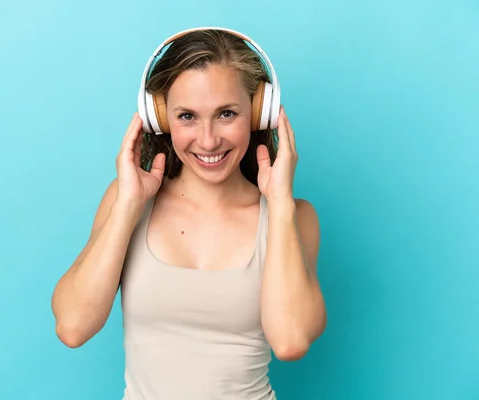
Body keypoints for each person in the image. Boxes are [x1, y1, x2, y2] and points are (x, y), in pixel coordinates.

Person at [51, 27, 327, 400]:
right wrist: (129, 205)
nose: (208, 140)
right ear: (160, 118)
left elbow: (291, 341)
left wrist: (278, 205)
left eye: (226, 113)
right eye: (187, 117)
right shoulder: (127, 201)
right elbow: (73, 327)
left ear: (259, 112)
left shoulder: (294, 216)